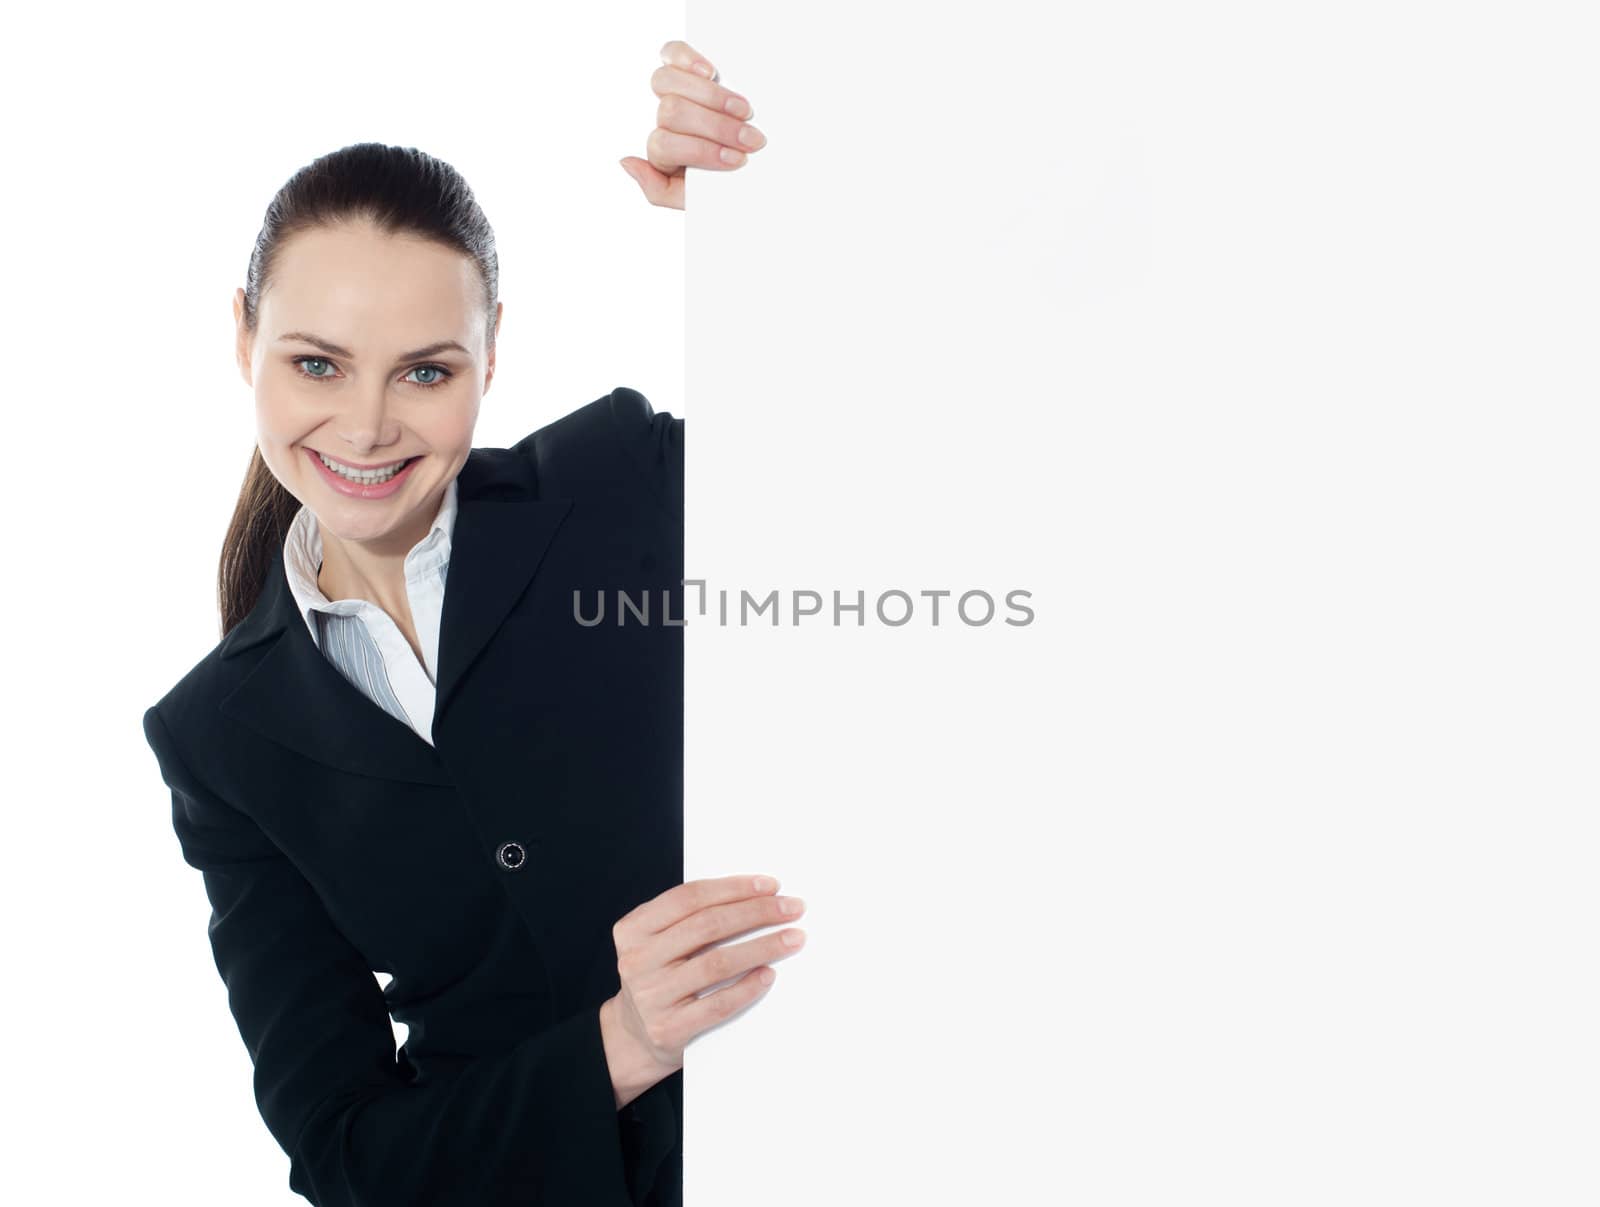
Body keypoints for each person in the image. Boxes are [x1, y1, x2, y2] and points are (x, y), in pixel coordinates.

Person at [139, 40, 801, 1207]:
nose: (365, 426)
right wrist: (624, 1041)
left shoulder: (619, 484)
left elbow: (919, 459)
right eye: (316, 363)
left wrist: (765, 228)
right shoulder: (217, 736)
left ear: (494, 355)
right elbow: (346, 1157)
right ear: (244, 338)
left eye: (426, 372)